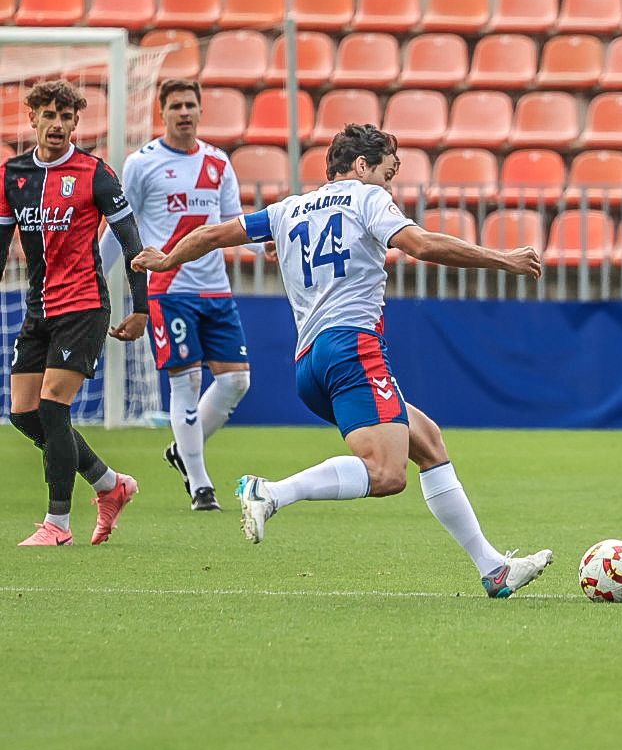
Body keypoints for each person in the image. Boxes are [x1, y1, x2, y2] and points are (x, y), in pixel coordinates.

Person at [132, 124, 552, 598]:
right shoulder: (367, 199)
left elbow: (213, 233)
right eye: (388, 175)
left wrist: (167, 260)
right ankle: (270, 493)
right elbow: (422, 245)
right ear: (360, 167)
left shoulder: (287, 209)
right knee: (387, 474)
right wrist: (504, 260)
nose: (389, 188)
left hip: (310, 362)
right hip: (353, 348)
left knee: (428, 442)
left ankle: (492, 568)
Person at [2, 80, 147, 547]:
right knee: (24, 414)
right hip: (38, 307)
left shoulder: (95, 173)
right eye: (49, 115)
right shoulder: (13, 176)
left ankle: (57, 525)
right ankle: (110, 484)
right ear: (33, 120)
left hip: (83, 305)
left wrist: (141, 308)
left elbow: (132, 244)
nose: (58, 125)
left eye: (66, 117)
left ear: (76, 122)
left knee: (52, 406)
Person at [102, 79, 252, 512]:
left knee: (236, 380)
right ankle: (201, 485)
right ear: (162, 113)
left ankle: (181, 451)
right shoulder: (142, 163)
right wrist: (96, 275)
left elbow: (232, 221)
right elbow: (120, 227)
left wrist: (266, 244)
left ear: (201, 111)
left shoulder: (218, 162)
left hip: (215, 288)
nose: (184, 112)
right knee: (186, 382)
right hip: (169, 288)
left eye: (191, 105)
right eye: (176, 106)